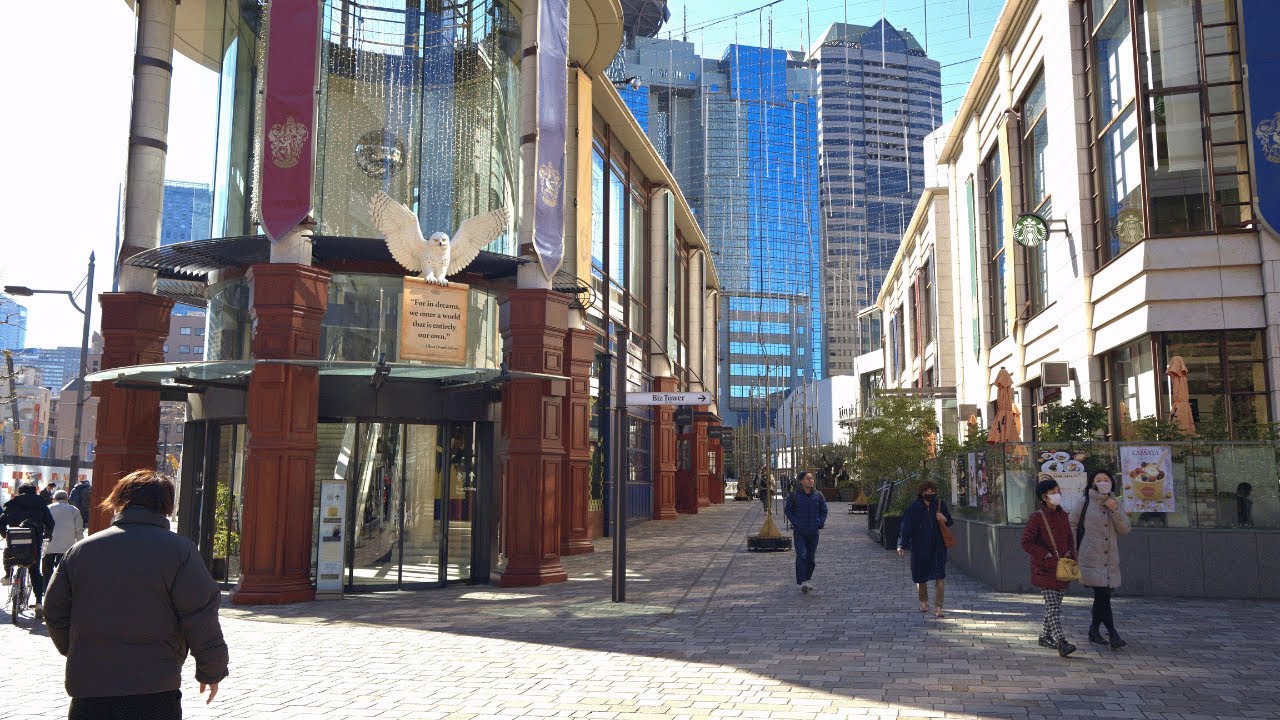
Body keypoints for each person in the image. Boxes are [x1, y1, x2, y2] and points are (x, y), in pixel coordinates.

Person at [44, 469, 228, 718]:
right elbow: (200, 615)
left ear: (119, 501)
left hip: (91, 687)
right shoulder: (180, 551)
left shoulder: (81, 551)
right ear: (167, 505)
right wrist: (212, 669)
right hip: (155, 685)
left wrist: (82, 649)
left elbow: (54, 610)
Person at [1069, 470, 1131, 650]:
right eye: (1099, 480)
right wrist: (1073, 550)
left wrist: (1115, 509)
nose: (1103, 482)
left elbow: (1125, 529)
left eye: (1106, 479)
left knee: (1102, 596)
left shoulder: (1115, 502)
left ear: (1112, 482)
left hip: (1110, 557)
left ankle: (1094, 631)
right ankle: (1113, 633)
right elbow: (1072, 524)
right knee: (1103, 595)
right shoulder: (1085, 501)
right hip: (1090, 556)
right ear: (1092, 483)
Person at [1020, 478, 1078, 657]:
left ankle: (1045, 636)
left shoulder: (1064, 515)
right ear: (1044, 497)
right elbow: (1026, 542)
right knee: (1053, 608)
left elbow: (1069, 538)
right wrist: (1044, 554)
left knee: (1054, 608)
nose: (1057, 495)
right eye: (1053, 492)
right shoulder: (1037, 517)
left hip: (1062, 568)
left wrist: (1071, 555)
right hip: (1045, 568)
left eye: (1058, 491)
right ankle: (1062, 642)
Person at [896, 480, 954, 617]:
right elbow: (905, 527)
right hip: (920, 547)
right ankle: (923, 601)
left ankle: (939, 607)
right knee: (920, 575)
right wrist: (901, 544)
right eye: (928, 492)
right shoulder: (914, 508)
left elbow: (950, 522)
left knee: (940, 575)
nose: (930, 495)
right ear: (922, 493)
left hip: (938, 546)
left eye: (933, 492)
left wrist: (943, 518)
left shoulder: (940, 505)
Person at [0, 483, 56, 617]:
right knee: (35, 570)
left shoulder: (12, 503)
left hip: (15, 543)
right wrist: (47, 534)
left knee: (9, 555)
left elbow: (1, 521)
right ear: (34, 492)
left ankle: (8, 575)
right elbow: (50, 522)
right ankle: (38, 603)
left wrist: (5, 534)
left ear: (20, 491)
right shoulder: (41, 503)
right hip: (34, 544)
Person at [783, 471, 828, 593]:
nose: (811, 480)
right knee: (801, 555)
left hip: (814, 531)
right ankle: (802, 581)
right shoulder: (794, 495)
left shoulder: (818, 495)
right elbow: (788, 510)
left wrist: (820, 523)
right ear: (802, 481)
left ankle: (807, 579)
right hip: (800, 532)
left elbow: (824, 510)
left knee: (811, 558)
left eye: (812, 478)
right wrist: (796, 522)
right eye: (808, 478)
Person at [43, 490, 84, 586]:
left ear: (54, 498)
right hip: (67, 546)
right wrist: (80, 545)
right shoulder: (74, 510)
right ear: (67, 499)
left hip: (49, 545)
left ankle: (46, 590)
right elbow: (79, 530)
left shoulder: (48, 508)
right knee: (62, 572)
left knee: (47, 570)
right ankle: (60, 589)